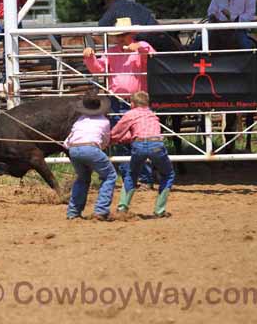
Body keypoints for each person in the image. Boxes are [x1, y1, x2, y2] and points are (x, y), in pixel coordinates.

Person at [83, 16, 156, 185]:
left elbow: (153, 58)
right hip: (117, 100)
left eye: (123, 34)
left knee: (141, 139)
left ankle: (144, 179)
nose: (120, 38)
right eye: (118, 35)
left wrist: (140, 47)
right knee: (123, 140)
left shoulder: (142, 48)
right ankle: (130, 179)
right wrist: (90, 58)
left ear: (131, 34)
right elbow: (99, 70)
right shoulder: (112, 51)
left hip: (138, 101)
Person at [110, 91, 175, 218]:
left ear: (132, 104)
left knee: (131, 174)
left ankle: (122, 207)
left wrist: (109, 141)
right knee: (168, 174)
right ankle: (159, 210)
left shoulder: (130, 114)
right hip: (156, 145)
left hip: (138, 145)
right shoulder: (152, 114)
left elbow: (117, 133)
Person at [64, 91, 116, 221]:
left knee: (83, 178)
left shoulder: (79, 121)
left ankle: (73, 212)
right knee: (110, 175)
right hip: (91, 148)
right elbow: (105, 141)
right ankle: (101, 210)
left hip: (74, 150)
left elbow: (67, 142)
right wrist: (100, 148)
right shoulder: (104, 121)